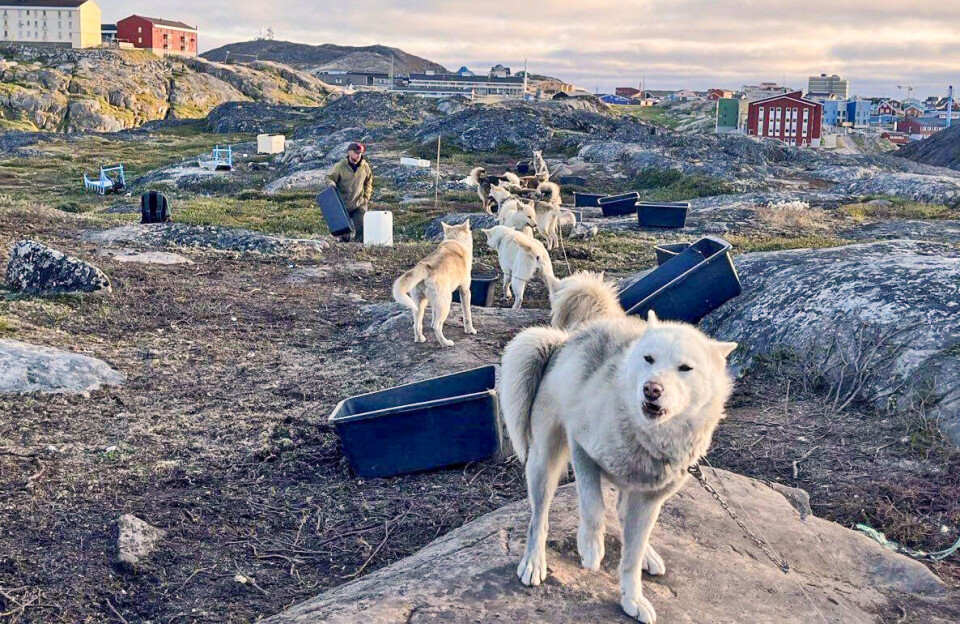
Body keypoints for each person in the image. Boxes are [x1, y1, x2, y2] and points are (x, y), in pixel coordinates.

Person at [327, 142, 374, 242]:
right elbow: (329, 178)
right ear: (349, 152)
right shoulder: (340, 166)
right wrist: (331, 184)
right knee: (344, 235)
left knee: (362, 228)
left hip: (359, 203)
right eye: (356, 152)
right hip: (342, 204)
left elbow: (369, 181)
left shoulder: (365, 167)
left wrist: (366, 196)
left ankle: (359, 250)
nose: (358, 155)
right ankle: (343, 250)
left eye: (360, 153)